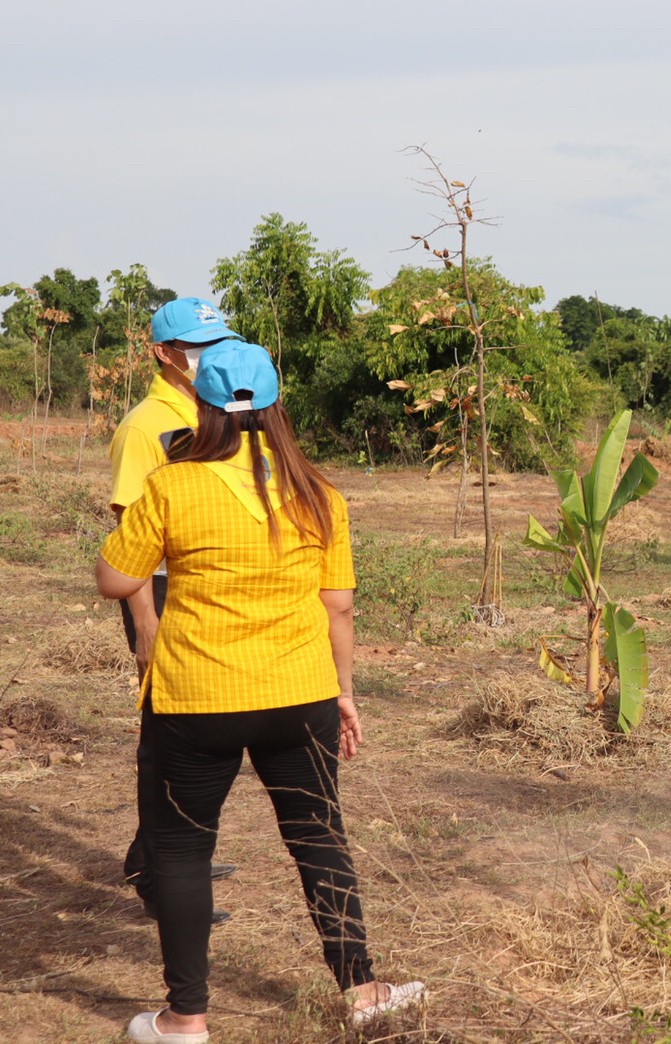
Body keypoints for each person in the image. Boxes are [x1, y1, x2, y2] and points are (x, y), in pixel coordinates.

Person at [95, 341, 423, 1042]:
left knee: (180, 850)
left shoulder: (172, 486)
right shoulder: (318, 494)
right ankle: (363, 990)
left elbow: (116, 580)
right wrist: (345, 694)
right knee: (318, 836)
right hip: (299, 692)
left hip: (194, 699)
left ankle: (185, 1019)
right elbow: (338, 606)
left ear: (204, 406)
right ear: (276, 406)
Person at [111, 297, 244, 924]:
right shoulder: (145, 426)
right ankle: (159, 874)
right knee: (165, 733)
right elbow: (127, 534)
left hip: (206, 586)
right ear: (163, 353)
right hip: (161, 592)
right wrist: (145, 622)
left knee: (202, 728)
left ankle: (166, 849)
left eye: (215, 342)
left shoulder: (213, 405)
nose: (207, 354)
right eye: (196, 345)